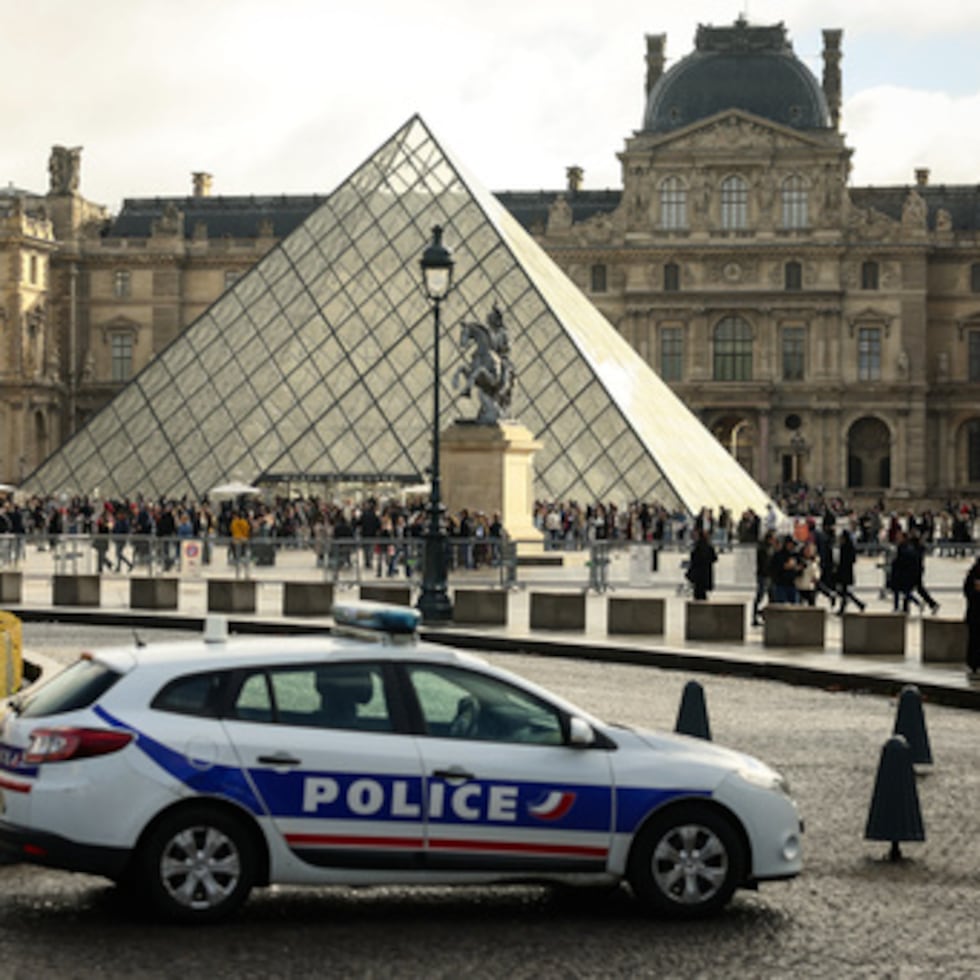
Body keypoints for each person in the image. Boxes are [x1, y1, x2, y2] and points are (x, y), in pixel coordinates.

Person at [834, 528, 866, 615]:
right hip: (845, 572)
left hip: (845, 572)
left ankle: (846, 608)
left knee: (844, 591)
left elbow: (847, 560)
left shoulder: (846, 547)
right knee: (844, 592)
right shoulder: (846, 547)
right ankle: (859, 604)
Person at [752, 530, 776, 626]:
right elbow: (764, 563)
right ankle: (756, 615)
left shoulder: (770, 548)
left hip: (769, 576)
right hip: (764, 576)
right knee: (760, 595)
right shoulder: (763, 549)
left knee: (772, 597)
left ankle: (765, 614)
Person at [686, 528, 717, 600]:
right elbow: (714, 558)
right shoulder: (709, 546)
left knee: (698, 593)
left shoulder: (697, 547)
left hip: (698, 574)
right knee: (703, 594)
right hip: (706, 573)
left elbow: (694, 559)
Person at [769, 535, 800, 605]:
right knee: (781, 606)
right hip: (780, 584)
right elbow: (773, 569)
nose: (792, 546)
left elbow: (800, 567)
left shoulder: (795, 555)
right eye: (790, 544)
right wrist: (784, 567)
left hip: (793, 584)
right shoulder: (778, 555)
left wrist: (796, 568)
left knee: (795, 605)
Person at [963, 556, 980, 681]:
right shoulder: (974, 575)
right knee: (975, 640)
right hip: (975, 613)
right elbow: (968, 591)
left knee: (974, 640)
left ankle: (973, 663)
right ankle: (973, 663)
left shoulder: (972, 574)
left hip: (974, 614)